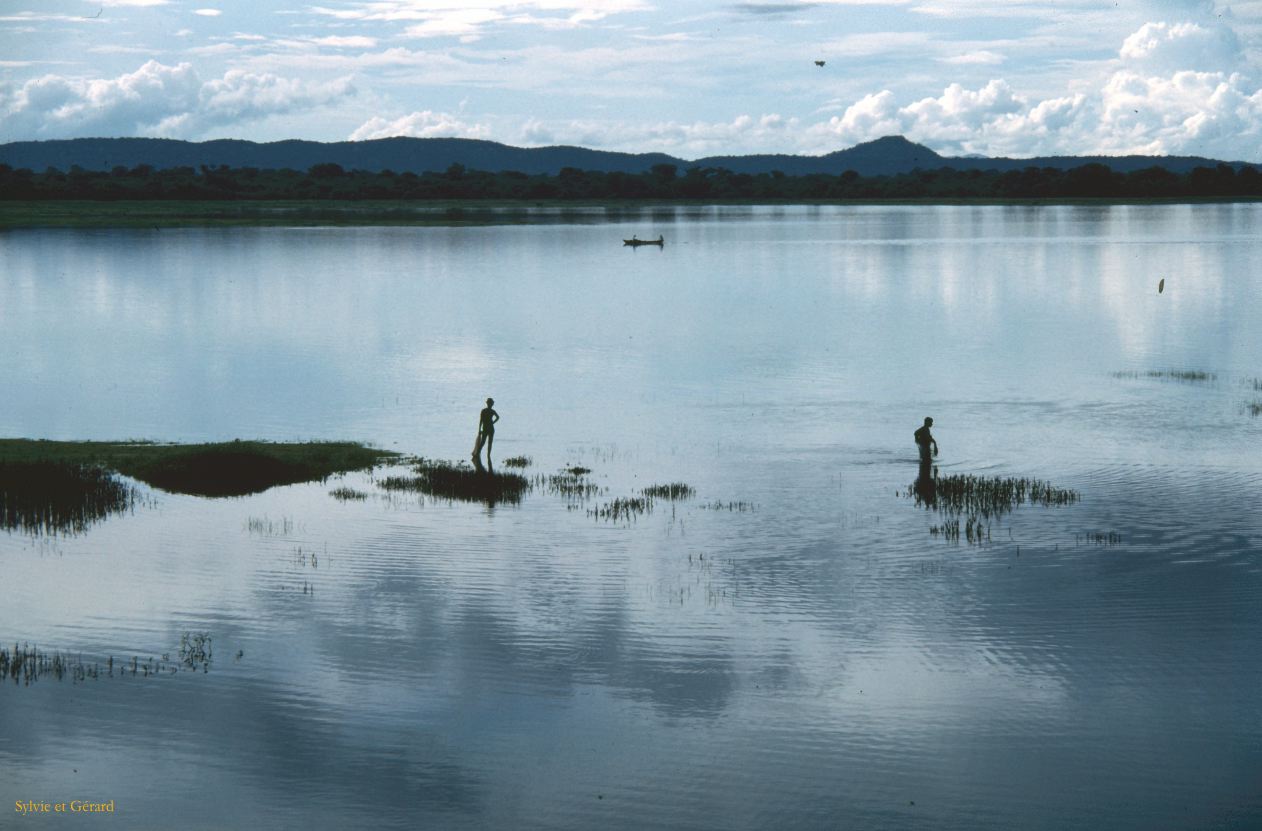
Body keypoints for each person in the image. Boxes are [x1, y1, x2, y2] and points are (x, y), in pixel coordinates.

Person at [472, 397, 499, 466]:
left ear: (487, 403)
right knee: (488, 442)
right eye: (491, 403)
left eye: (490, 403)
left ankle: (478, 454)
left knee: (483, 442)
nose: (490, 404)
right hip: (490, 428)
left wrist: (479, 429)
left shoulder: (483, 411)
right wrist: (493, 422)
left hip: (486, 428)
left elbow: (481, 421)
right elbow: (498, 417)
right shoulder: (492, 411)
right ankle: (488, 456)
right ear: (491, 404)